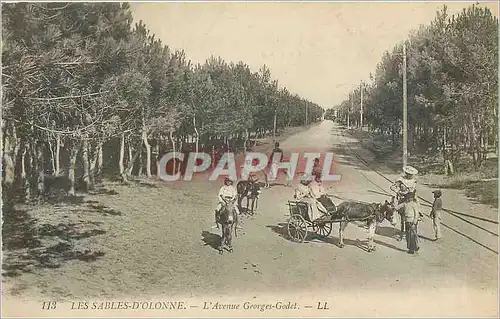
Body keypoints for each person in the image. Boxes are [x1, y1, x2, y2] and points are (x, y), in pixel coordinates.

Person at [390, 165, 419, 239]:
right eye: (409, 174)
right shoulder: (401, 180)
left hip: (411, 197)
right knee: (398, 211)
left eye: (411, 174)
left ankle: (419, 216)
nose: (410, 176)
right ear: (406, 173)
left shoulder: (414, 181)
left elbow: (414, 190)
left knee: (417, 205)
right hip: (402, 198)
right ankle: (401, 230)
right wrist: (398, 191)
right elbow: (392, 187)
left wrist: (412, 193)